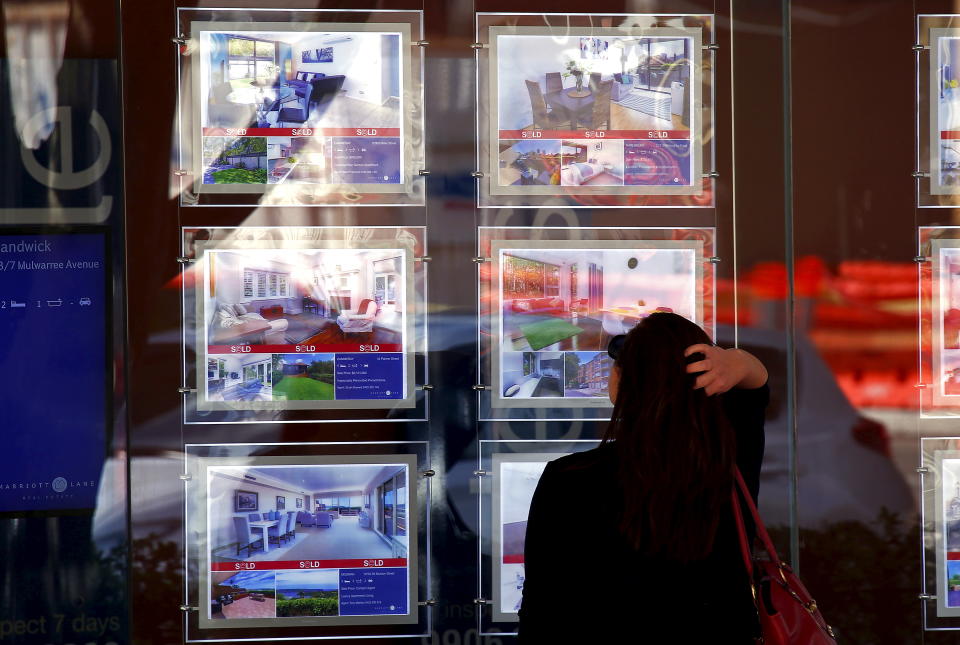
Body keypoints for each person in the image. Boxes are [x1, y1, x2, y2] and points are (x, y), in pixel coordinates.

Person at [518, 312, 769, 643]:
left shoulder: (568, 480)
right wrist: (734, 359)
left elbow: (543, 611)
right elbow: (756, 388)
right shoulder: (726, 463)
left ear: (622, 380)